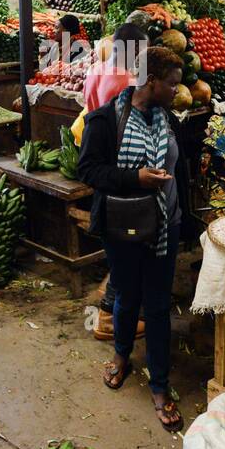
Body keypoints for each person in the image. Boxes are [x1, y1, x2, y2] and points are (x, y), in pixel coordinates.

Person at [77, 46, 195, 432]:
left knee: (158, 306)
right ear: (152, 81)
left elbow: (181, 172)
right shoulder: (106, 120)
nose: (178, 91)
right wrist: (136, 179)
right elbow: (89, 171)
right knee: (127, 295)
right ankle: (122, 356)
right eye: (173, 84)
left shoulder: (170, 120)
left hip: (166, 225)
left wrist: (187, 218)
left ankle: (160, 386)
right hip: (122, 227)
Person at [78, 23, 149, 342]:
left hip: (99, 162)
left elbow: (88, 110)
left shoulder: (95, 71)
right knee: (131, 241)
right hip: (121, 169)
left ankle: (112, 300)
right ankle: (108, 316)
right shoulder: (129, 82)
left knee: (119, 239)